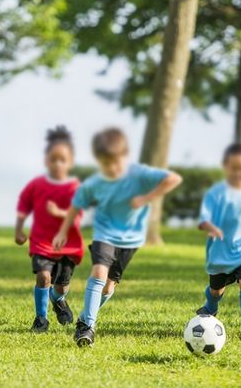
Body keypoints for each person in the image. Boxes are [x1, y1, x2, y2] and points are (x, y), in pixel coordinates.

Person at [52, 127, 182, 347]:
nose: (111, 168)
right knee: (99, 272)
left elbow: (173, 179)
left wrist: (146, 198)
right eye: (105, 163)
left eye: (115, 162)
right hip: (105, 234)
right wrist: (63, 231)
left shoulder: (139, 173)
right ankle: (88, 327)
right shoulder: (95, 183)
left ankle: (85, 316)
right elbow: (76, 206)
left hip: (131, 240)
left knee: (109, 287)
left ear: (124, 155)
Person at [15, 126, 84, 333]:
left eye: (62, 160)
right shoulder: (37, 184)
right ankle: (41, 319)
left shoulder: (74, 188)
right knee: (44, 277)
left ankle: (58, 299)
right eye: (53, 159)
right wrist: (19, 230)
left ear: (69, 162)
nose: (57, 164)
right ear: (46, 161)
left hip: (67, 246)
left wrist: (58, 212)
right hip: (41, 242)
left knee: (61, 286)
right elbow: (23, 205)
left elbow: (77, 216)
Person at [196, 143, 241, 341]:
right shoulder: (216, 193)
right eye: (234, 168)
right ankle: (210, 306)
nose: (238, 172)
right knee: (217, 290)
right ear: (225, 167)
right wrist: (212, 228)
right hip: (221, 250)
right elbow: (203, 221)